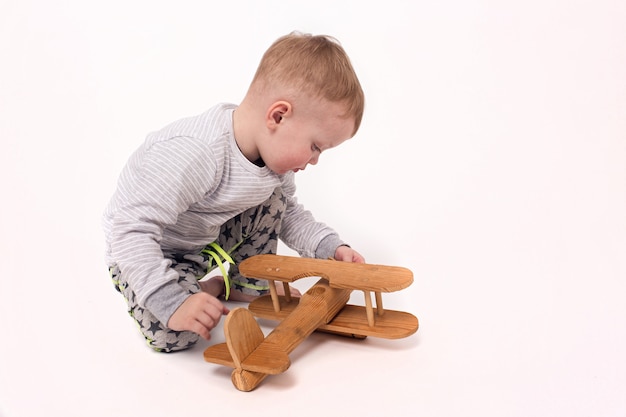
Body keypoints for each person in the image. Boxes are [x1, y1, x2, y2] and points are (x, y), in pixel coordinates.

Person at [102, 31, 366, 352]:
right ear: (278, 116)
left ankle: (244, 281)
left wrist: (330, 247)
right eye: (314, 147)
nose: (314, 161)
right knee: (174, 334)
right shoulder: (198, 152)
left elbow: (288, 214)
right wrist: (170, 301)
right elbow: (130, 230)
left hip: (201, 242)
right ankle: (204, 287)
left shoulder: (272, 165)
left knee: (274, 200)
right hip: (147, 251)